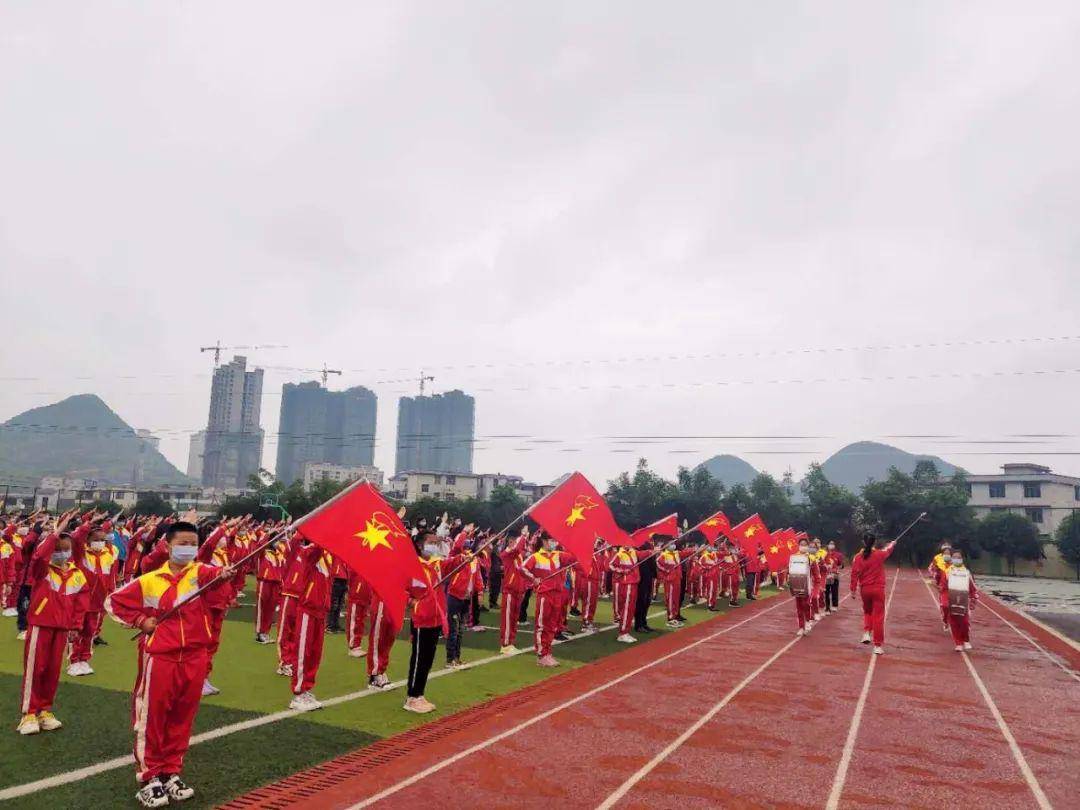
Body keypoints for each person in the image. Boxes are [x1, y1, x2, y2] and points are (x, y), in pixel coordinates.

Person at [105, 519, 235, 807]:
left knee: (182, 717)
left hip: (195, 656)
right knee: (153, 717)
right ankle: (149, 777)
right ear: (167, 545)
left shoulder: (202, 574)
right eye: (183, 543)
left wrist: (225, 575)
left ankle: (171, 772)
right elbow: (113, 602)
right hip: (161, 657)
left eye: (193, 544)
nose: (188, 549)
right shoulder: (151, 579)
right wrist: (141, 620)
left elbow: (215, 577)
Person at [18, 511, 89, 735]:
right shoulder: (43, 570)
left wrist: (76, 627)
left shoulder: (77, 574)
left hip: (62, 629)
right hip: (41, 626)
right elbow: (38, 557)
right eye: (56, 549)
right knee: (35, 669)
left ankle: (44, 711)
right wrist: (54, 534)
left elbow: (81, 603)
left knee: (52, 671)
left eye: (65, 548)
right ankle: (29, 713)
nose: (61, 553)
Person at [403, 532, 451, 713]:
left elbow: (452, 564)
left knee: (428, 659)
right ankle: (412, 697)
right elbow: (402, 588)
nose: (434, 546)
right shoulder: (413, 566)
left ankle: (420, 694)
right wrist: (412, 602)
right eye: (431, 543)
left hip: (435, 617)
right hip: (422, 618)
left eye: (435, 543)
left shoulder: (436, 563)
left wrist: (466, 557)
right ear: (420, 545)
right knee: (419, 659)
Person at [68, 518, 119, 675]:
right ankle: (73, 661)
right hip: (80, 601)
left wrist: (110, 593)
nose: (100, 542)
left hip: (98, 602)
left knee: (90, 632)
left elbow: (110, 577)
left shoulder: (108, 554)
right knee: (76, 631)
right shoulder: (81, 554)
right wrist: (89, 524)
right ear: (88, 540)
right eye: (96, 540)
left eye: (102, 540)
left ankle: (84, 659)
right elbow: (76, 538)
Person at [521, 536, 577, 666]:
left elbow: (574, 558)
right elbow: (522, 568)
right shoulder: (536, 557)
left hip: (557, 594)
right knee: (542, 624)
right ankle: (541, 655)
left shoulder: (558, 555)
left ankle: (547, 652)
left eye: (555, 540)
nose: (554, 543)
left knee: (552, 626)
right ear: (545, 541)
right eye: (552, 540)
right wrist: (534, 579)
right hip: (545, 594)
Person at [849, 532, 897, 655]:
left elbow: (854, 574)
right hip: (878, 589)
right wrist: (892, 544)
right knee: (879, 617)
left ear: (863, 542)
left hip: (865, 589)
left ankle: (866, 633)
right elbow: (888, 551)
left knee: (867, 612)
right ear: (874, 542)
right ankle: (877, 645)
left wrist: (853, 589)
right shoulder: (879, 555)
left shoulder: (857, 557)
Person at [497, 529, 529, 654]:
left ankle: (511, 642)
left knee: (514, 618)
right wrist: (523, 535)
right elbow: (517, 548)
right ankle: (505, 644)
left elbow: (521, 570)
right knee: (508, 618)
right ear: (510, 541)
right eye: (513, 541)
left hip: (518, 591)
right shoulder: (506, 553)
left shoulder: (518, 556)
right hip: (509, 590)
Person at [941, 551, 978, 651]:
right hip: (952, 601)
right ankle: (958, 643)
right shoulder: (947, 572)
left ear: (962, 559)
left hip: (963, 601)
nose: (956, 559)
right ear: (952, 559)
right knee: (953, 623)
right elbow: (943, 588)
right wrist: (945, 602)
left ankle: (966, 640)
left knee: (964, 622)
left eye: (958, 557)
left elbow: (972, 587)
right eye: (954, 557)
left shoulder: (966, 572)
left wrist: (974, 597)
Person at [254, 537, 286, 644]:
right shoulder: (264, 552)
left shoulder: (280, 553)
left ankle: (265, 632)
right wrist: (268, 535)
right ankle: (259, 633)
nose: (278, 543)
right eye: (276, 540)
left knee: (270, 609)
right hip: (265, 581)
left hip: (276, 583)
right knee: (262, 607)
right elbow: (258, 546)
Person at [609, 545, 640, 643]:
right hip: (627, 583)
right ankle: (623, 633)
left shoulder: (633, 552)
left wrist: (653, 551)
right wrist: (622, 571)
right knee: (627, 607)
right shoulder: (619, 554)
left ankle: (625, 631)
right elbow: (610, 565)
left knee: (630, 608)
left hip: (634, 582)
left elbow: (644, 554)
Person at [655, 543, 684, 627]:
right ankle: (670, 618)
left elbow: (686, 553)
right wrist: (666, 570)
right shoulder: (664, 555)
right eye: (671, 544)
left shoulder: (676, 553)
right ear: (667, 545)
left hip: (677, 578)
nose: (673, 545)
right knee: (670, 599)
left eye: (674, 543)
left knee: (676, 598)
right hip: (670, 579)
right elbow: (657, 562)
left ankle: (674, 617)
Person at [345, 567, 372, 657]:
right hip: (356, 595)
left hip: (365, 597)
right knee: (354, 621)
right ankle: (352, 647)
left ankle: (357, 645)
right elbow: (350, 575)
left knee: (360, 622)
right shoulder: (356, 562)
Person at [789, 539, 813, 636]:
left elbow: (815, 571)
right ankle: (801, 627)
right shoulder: (794, 557)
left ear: (807, 546)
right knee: (799, 606)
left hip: (807, 585)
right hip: (796, 584)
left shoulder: (811, 557)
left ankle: (808, 621)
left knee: (806, 604)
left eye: (805, 545)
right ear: (798, 545)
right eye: (801, 545)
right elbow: (790, 568)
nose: (803, 546)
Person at [633, 541, 658, 633]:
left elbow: (652, 560)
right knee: (641, 601)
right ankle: (638, 624)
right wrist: (651, 551)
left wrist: (654, 573)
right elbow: (638, 556)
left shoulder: (649, 544)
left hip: (649, 576)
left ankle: (644, 622)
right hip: (641, 577)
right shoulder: (637, 544)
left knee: (647, 601)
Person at [928, 542, 952, 633]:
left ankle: (953, 622)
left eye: (949, 552)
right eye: (945, 552)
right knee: (945, 605)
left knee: (953, 607)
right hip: (942, 585)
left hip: (954, 588)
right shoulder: (937, 558)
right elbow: (931, 568)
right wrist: (935, 574)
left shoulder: (955, 560)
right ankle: (945, 621)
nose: (947, 554)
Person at [823, 541, 845, 612]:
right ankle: (827, 606)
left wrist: (838, 568)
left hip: (835, 575)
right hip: (826, 576)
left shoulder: (839, 555)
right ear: (827, 545)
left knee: (834, 591)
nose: (831, 545)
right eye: (830, 544)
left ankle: (835, 605)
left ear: (835, 546)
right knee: (826, 592)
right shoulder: (824, 554)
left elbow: (841, 565)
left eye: (832, 544)